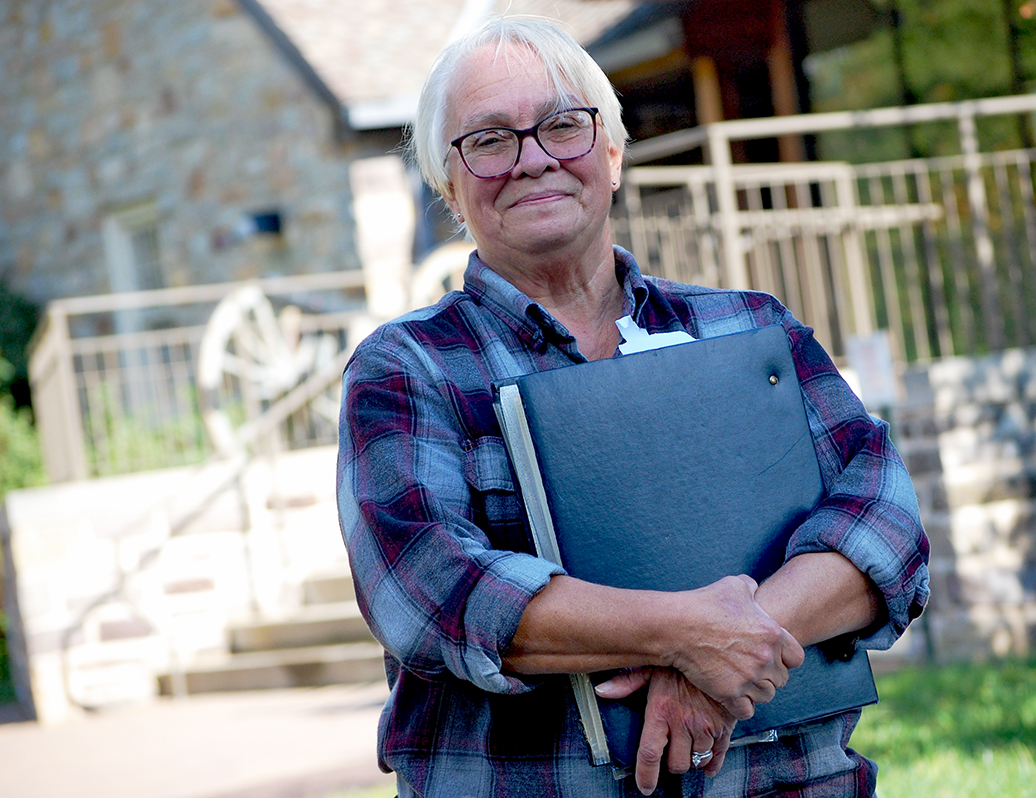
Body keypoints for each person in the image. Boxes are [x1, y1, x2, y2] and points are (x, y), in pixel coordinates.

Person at [336, 16, 929, 798]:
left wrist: (719, 660)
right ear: (450, 185)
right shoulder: (406, 369)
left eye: (562, 126)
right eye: (488, 140)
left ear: (612, 154)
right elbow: (429, 587)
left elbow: (885, 523)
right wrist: (687, 635)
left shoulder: (750, 328)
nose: (534, 159)